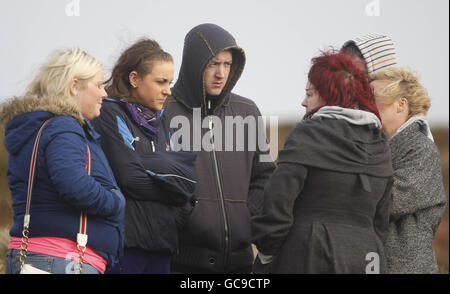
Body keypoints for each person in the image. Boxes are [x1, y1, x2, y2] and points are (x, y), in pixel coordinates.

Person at [252, 51, 393, 274]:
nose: (303, 102)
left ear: (329, 95)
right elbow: (381, 222)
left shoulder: (307, 134)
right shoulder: (380, 143)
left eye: (310, 94)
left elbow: (277, 204)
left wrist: (267, 255)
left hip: (308, 255)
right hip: (369, 260)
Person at [0, 48, 125, 274]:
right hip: (62, 260)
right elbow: (75, 186)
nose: (104, 94)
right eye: (98, 85)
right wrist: (116, 199)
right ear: (74, 86)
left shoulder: (35, 127)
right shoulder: (64, 127)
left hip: (34, 256)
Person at [163, 23, 275, 274]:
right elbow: (155, 178)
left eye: (227, 64)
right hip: (181, 263)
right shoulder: (165, 111)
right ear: (195, 64)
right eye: (213, 64)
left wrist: (245, 218)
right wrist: (190, 217)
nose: (221, 73)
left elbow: (266, 176)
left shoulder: (247, 111)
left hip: (240, 264)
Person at [91, 38, 196, 274]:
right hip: (125, 246)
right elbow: (130, 178)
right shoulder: (108, 113)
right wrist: (171, 185)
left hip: (162, 245)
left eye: (170, 82)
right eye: (160, 81)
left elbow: (188, 182)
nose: (168, 90)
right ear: (135, 79)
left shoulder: (164, 120)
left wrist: (176, 203)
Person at [370, 67, 447, 273]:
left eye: (374, 100)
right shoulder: (377, 147)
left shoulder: (421, 149)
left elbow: (389, 202)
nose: (367, 107)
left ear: (401, 104)